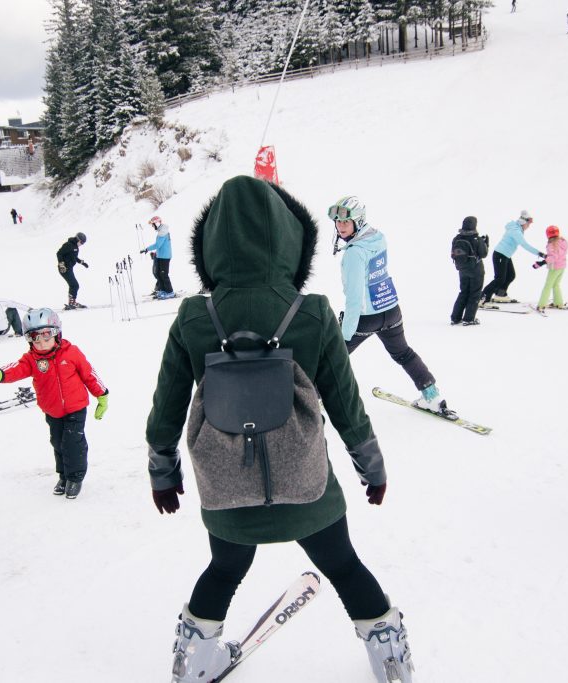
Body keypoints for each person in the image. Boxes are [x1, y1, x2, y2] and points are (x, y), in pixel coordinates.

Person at [146, 176, 415, 683]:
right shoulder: (311, 312)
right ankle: (390, 658)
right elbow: (345, 401)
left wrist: (163, 471)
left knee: (223, 571)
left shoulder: (193, 317)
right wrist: (370, 465)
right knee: (344, 566)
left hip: (226, 487)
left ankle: (195, 662)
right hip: (306, 485)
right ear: (292, 241)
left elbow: (166, 404)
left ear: (210, 246)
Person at [329, 195, 447, 414]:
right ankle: (431, 395)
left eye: (346, 221)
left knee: (332, 356)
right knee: (403, 353)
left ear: (359, 221)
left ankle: (313, 399)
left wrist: (344, 335)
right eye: (337, 221)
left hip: (366, 317)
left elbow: (355, 299)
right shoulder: (378, 238)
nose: (340, 226)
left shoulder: (354, 254)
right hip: (391, 309)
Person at [0, 308, 108, 500]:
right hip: (52, 411)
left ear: (57, 333)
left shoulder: (72, 353)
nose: (41, 344)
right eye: (35, 339)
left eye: (46, 337)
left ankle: (75, 477)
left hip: (76, 408)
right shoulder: (32, 360)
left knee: (72, 443)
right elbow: (16, 369)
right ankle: (64, 476)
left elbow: (89, 374)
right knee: (58, 444)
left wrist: (102, 395)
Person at [481, 210, 545, 306]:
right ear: (524, 222)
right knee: (500, 279)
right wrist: (540, 254)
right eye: (528, 223)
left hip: (505, 255)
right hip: (500, 255)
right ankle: (482, 298)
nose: (529, 226)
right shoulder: (516, 231)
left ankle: (500, 295)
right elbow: (524, 245)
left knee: (511, 275)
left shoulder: (517, 229)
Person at [450, 216, 489, 326]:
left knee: (463, 292)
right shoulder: (476, 238)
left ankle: (455, 317)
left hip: (462, 269)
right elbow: (483, 254)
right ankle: (468, 318)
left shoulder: (457, 238)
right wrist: (486, 244)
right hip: (476, 270)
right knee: (475, 293)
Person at [535, 225, 568, 310]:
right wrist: (545, 256)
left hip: (554, 268)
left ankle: (541, 305)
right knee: (556, 285)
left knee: (548, 285)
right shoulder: (562, 241)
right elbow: (557, 255)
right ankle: (558, 303)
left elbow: (553, 257)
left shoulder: (552, 245)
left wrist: (541, 262)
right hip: (562, 267)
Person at [141, 216, 175, 299]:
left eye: (153, 225)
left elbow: (157, 245)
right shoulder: (161, 231)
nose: (152, 227)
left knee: (164, 274)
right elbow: (160, 246)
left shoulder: (162, 232)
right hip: (161, 255)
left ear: (157, 223)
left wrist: (147, 249)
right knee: (159, 274)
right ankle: (163, 290)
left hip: (165, 256)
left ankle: (170, 292)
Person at [57, 232, 89, 309]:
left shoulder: (75, 247)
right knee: (75, 285)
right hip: (64, 269)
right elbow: (59, 253)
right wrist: (61, 264)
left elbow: (73, 257)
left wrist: (82, 262)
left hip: (69, 268)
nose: (82, 244)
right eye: (81, 242)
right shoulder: (68, 245)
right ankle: (72, 303)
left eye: (83, 243)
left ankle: (72, 302)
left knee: (73, 285)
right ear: (77, 239)